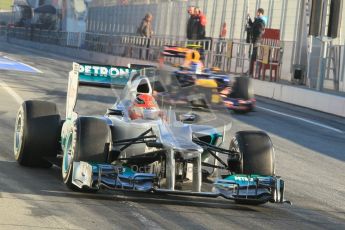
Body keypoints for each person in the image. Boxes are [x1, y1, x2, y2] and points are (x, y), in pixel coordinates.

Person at [247, 8, 266, 76]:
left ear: (260, 13)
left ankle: (253, 71)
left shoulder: (261, 21)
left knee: (254, 55)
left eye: (257, 12)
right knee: (251, 54)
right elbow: (252, 25)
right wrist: (249, 18)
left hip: (257, 40)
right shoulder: (257, 20)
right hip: (253, 39)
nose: (256, 13)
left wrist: (253, 32)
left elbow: (260, 30)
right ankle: (250, 70)